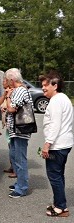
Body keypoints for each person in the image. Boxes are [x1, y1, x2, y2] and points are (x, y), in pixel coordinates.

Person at [39, 70, 73, 217]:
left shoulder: (56, 101)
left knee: (54, 175)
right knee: (58, 175)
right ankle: (60, 202)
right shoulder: (64, 98)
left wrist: (47, 144)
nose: (43, 88)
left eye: (46, 85)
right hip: (64, 144)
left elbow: (55, 125)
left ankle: (60, 207)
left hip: (57, 145)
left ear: (55, 85)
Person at [4, 68, 33, 198]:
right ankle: (19, 183)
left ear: (11, 80)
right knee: (14, 156)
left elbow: (11, 109)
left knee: (20, 159)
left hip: (21, 129)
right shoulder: (19, 90)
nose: (6, 82)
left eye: (6, 79)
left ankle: (22, 188)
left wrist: (9, 96)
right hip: (16, 130)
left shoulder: (20, 91)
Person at [0, 77, 16, 178]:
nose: (2, 82)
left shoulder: (14, 92)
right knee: (10, 146)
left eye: (4, 80)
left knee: (14, 147)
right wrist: (4, 95)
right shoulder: (6, 92)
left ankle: (16, 169)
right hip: (8, 124)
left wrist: (6, 108)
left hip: (13, 124)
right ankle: (12, 166)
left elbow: (13, 108)